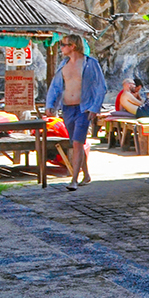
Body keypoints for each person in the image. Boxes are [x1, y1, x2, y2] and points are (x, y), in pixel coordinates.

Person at [44, 36, 107, 190]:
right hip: (67, 108)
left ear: (72, 46)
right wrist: (49, 105)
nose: (61, 48)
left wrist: (94, 108)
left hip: (83, 108)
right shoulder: (63, 65)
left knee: (78, 143)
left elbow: (101, 87)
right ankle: (86, 175)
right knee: (76, 142)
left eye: (63, 45)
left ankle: (74, 179)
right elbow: (55, 87)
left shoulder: (90, 64)